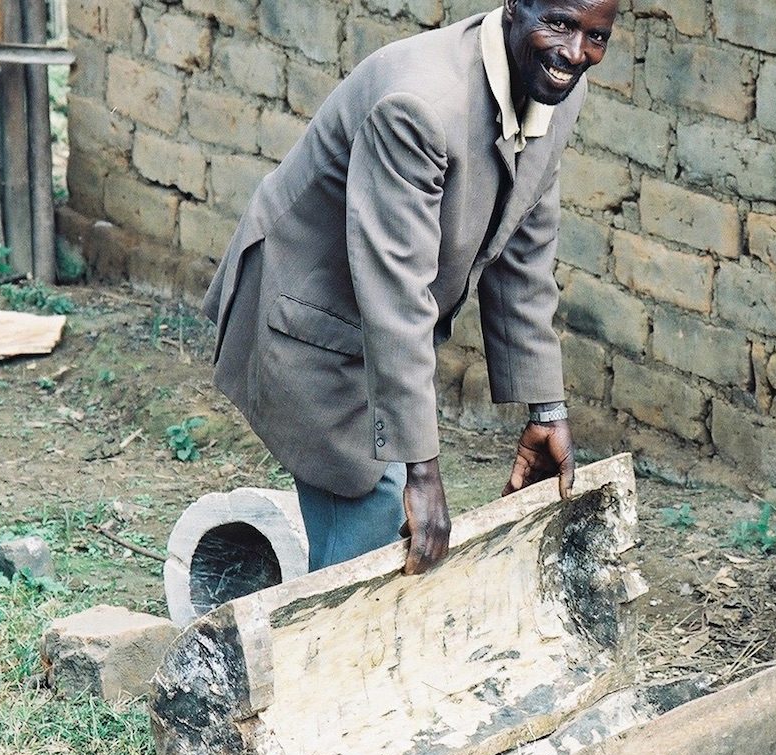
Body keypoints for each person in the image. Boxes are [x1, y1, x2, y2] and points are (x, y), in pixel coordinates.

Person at [203, 0, 620, 575]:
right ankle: (328, 656)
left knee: (377, 515)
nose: (576, 54)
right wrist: (421, 470)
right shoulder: (419, 105)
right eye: (561, 24)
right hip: (304, 310)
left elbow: (524, 247)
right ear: (515, 6)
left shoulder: (556, 87)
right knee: (373, 502)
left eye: (597, 36)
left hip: (369, 314)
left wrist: (546, 407)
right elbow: (396, 294)